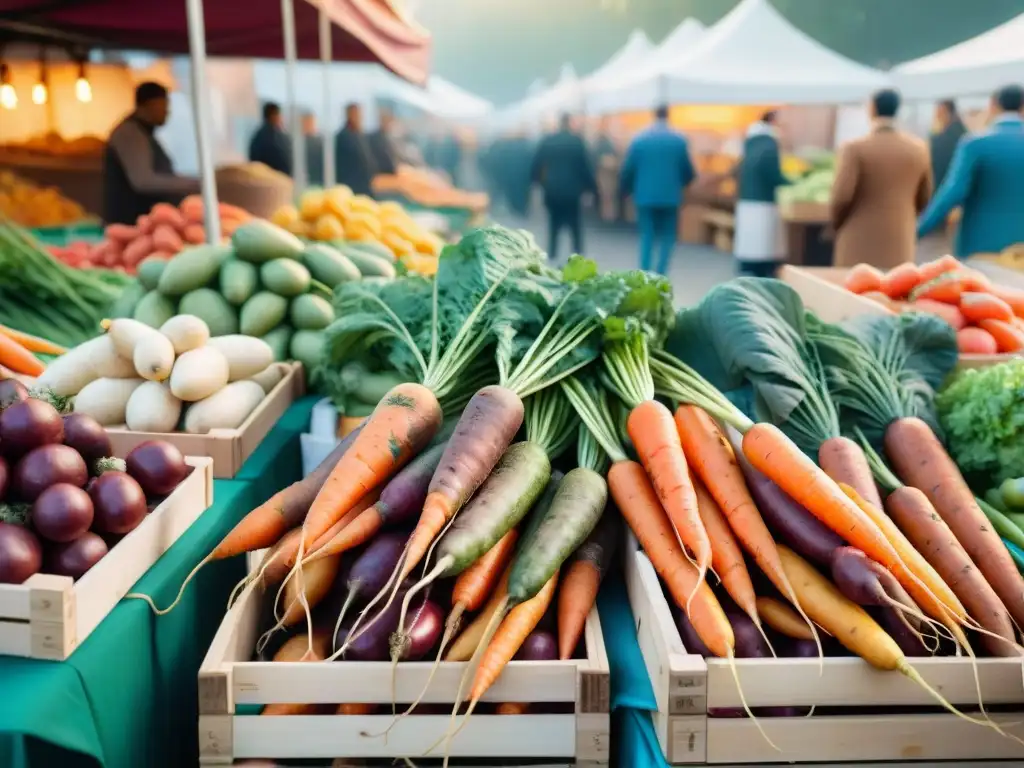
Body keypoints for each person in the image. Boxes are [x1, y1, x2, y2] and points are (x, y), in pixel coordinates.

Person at [830, 88, 932, 270]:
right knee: (895, 290)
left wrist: (836, 223)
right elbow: (924, 195)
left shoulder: (855, 148)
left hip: (858, 238)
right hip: (900, 238)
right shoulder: (918, 149)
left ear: (872, 108)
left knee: (854, 288)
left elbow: (842, 196)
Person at [918, 85, 1024, 258]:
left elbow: (952, 192)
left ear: (993, 105)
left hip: (980, 247)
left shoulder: (975, 143)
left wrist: (918, 230)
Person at [103, 82, 199, 225]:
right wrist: (192, 183)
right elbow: (143, 181)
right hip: (132, 223)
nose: (167, 112)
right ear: (149, 105)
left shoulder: (144, 132)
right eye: (164, 105)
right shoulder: (130, 134)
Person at [619, 105, 695, 275]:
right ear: (669, 116)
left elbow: (628, 169)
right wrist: (683, 184)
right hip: (670, 196)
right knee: (668, 236)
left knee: (647, 235)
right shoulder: (679, 140)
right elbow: (688, 171)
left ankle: (645, 273)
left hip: (644, 195)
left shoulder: (639, 139)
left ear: (653, 115)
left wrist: (626, 190)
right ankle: (661, 273)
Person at [531, 114, 596, 262]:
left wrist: (537, 184)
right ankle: (577, 255)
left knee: (553, 223)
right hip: (573, 190)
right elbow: (585, 167)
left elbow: (536, 164)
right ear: (570, 123)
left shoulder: (548, 141)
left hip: (552, 189)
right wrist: (591, 189)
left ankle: (552, 253)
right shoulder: (577, 141)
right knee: (575, 225)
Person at [733, 111, 791, 277]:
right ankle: (763, 269)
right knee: (763, 240)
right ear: (773, 121)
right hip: (763, 199)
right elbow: (772, 172)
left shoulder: (749, 141)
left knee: (749, 238)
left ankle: (748, 265)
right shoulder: (769, 143)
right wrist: (790, 182)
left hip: (746, 196)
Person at [334, 103, 376, 196]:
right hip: (351, 185)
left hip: (365, 184)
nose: (358, 117)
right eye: (355, 114)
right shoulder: (343, 136)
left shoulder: (360, 135)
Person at [930, 100, 967, 189]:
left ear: (946, 112)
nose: (937, 117)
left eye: (939, 113)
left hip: (945, 186)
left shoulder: (944, 138)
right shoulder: (963, 133)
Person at [248, 102, 292, 176]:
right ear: (274, 116)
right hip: (277, 179)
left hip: (261, 179)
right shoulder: (279, 138)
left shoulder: (257, 137)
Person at [367, 108, 398, 177]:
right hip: (381, 174)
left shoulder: (385, 136)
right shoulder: (375, 138)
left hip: (388, 172)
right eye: (386, 120)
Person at [302, 112, 324, 187]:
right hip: (305, 180)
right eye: (307, 122)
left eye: (311, 122)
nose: (310, 125)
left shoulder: (320, 142)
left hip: (319, 179)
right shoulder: (298, 144)